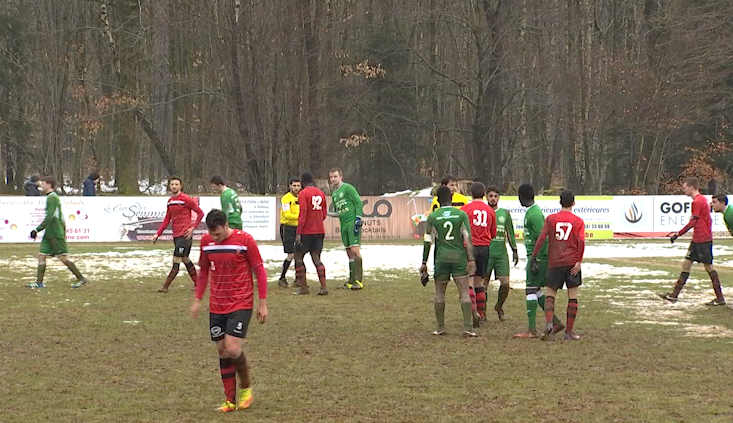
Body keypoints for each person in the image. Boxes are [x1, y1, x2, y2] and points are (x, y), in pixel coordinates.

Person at [191, 209, 268, 412]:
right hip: (217, 304)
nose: (214, 238)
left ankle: (246, 389)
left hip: (241, 302)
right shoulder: (206, 242)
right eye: (212, 234)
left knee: (233, 347)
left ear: (226, 226)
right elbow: (204, 270)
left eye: (218, 234)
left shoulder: (245, 240)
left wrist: (262, 302)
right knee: (223, 351)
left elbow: (259, 269)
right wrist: (198, 299)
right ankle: (230, 401)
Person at [421, 186, 477, 337]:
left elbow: (428, 241)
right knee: (464, 293)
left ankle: (440, 327)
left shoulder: (433, 217)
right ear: (451, 199)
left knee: (439, 293)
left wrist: (424, 262)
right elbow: (467, 238)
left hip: (441, 258)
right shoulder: (461, 214)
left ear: (438, 200)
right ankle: (467, 328)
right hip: (458, 257)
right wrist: (471, 259)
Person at [530, 189, 585, 341]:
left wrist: (534, 256)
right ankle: (568, 332)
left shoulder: (551, 219)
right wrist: (579, 261)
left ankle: (549, 323)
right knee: (572, 296)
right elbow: (581, 241)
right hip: (572, 262)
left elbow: (541, 238)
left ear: (560, 202)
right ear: (573, 203)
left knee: (550, 293)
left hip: (555, 262)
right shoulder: (578, 221)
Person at [660, 177, 725, 306]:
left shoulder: (698, 202)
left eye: (685, 188)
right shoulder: (701, 200)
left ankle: (720, 298)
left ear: (691, 187)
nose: (684, 190)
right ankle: (674, 295)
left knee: (709, 267)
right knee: (686, 264)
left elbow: (693, 222)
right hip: (697, 239)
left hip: (703, 239)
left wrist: (678, 234)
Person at [514, 183, 564, 338]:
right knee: (536, 290)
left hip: (538, 258)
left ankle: (531, 330)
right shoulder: (532, 212)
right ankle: (556, 322)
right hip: (537, 257)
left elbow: (544, 238)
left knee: (530, 289)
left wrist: (536, 259)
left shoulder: (534, 215)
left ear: (520, 197)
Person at [26, 176, 87, 289]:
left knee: (63, 258)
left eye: (43, 184)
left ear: (49, 184)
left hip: (55, 233)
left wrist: (37, 229)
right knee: (42, 256)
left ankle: (81, 278)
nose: (41, 186)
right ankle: (39, 282)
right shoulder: (50, 197)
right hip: (49, 233)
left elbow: (50, 217)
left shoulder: (52, 197)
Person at [153, 176, 204, 293]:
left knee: (176, 259)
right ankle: (198, 284)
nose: (174, 186)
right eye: (172, 184)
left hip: (185, 236)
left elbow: (200, 213)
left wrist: (192, 228)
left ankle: (165, 286)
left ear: (181, 186)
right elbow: (167, 219)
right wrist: (158, 234)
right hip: (176, 236)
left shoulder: (186, 199)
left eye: (176, 184)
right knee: (185, 259)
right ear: (169, 186)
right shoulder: (171, 201)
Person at [461, 182, 496, 326]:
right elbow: (492, 233)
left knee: (469, 281)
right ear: (484, 194)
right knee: (480, 282)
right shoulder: (490, 211)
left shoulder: (465, 210)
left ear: (471, 193)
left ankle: (473, 313)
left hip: (470, 246)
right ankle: (481, 315)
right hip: (484, 247)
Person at [328, 168, 364, 290]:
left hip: (352, 222)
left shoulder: (348, 188)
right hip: (343, 225)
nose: (333, 179)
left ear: (341, 177)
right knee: (349, 252)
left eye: (335, 176)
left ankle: (358, 281)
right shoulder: (334, 194)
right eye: (331, 177)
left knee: (355, 250)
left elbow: (359, 202)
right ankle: (351, 280)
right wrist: (326, 213)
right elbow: (339, 212)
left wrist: (358, 218)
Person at [486, 186, 518, 321]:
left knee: (505, 283)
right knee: (482, 285)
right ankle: (482, 314)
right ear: (486, 197)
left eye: (496, 196)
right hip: (486, 252)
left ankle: (499, 306)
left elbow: (510, 232)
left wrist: (514, 250)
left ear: (499, 198)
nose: (493, 198)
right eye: (491, 196)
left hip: (501, 254)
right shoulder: (483, 213)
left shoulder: (505, 213)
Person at [294, 172, 328, 295]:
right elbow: (324, 213)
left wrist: (299, 233)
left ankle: (304, 288)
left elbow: (302, 214)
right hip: (319, 231)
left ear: (302, 182)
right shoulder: (321, 193)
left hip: (307, 231)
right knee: (316, 258)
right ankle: (323, 287)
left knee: (298, 257)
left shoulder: (303, 194)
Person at [278, 177, 301, 288]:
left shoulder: (302, 197)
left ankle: (298, 279)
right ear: (290, 186)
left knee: (299, 253)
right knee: (291, 254)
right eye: (294, 185)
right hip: (287, 228)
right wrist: (301, 217)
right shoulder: (286, 198)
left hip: (299, 228)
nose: (296, 188)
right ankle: (282, 277)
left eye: (298, 186)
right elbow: (287, 215)